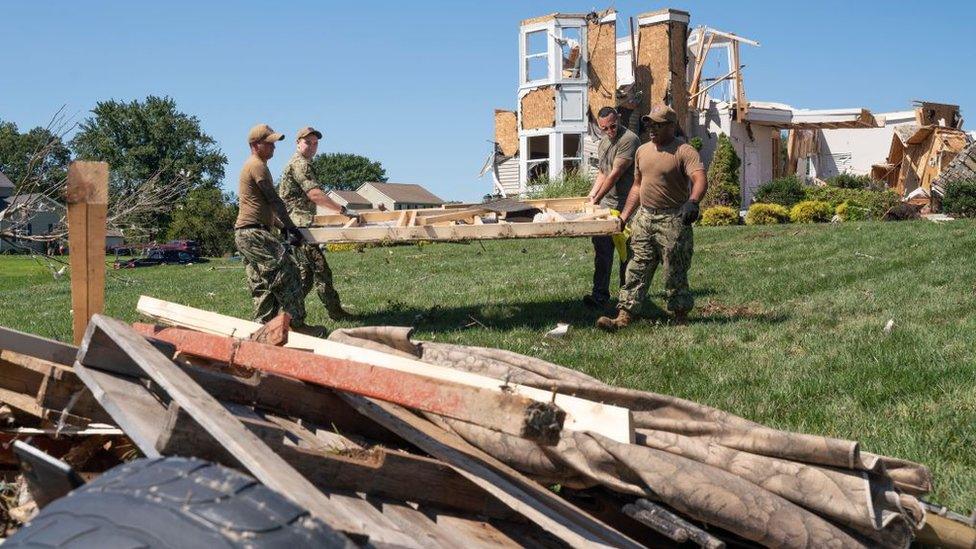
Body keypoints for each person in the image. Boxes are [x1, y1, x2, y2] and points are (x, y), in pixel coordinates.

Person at [596, 105, 707, 330]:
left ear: (671, 126)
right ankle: (624, 316)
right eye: (649, 124)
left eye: (658, 125)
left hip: (672, 219)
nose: (652, 129)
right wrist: (625, 217)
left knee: (674, 270)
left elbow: (699, 178)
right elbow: (637, 187)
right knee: (636, 266)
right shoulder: (643, 151)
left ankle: (680, 315)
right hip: (645, 218)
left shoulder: (683, 151)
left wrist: (693, 202)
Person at [234, 123, 322, 335]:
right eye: (269, 143)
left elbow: (263, 207)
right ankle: (297, 326)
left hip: (247, 233)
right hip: (254, 233)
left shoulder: (256, 165)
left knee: (262, 284)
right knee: (288, 272)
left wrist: (282, 226)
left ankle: (263, 329)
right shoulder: (257, 166)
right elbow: (274, 201)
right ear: (255, 145)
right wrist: (292, 229)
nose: (274, 147)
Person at [277, 126, 354, 320]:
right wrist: (343, 210)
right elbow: (315, 194)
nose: (312, 147)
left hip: (297, 226)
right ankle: (335, 313)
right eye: (307, 142)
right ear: (297, 143)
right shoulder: (300, 164)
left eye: (315, 143)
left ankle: (286, 315)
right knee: (320, 270)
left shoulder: (302, 163)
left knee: (306, 275)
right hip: (298, 227)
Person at [584, 107, 640, 310]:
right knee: (602, 252)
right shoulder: (604, 142)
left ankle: (626, 300)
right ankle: (600, 296)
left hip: (627, 205)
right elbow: (602, 172)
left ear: (619, 119)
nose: (609, 131)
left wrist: (597, 197)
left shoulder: (629, 140)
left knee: (628, 255)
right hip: (607, 206)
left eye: (612, 126)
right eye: (604, 128)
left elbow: (615, 173)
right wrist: (592, 197)